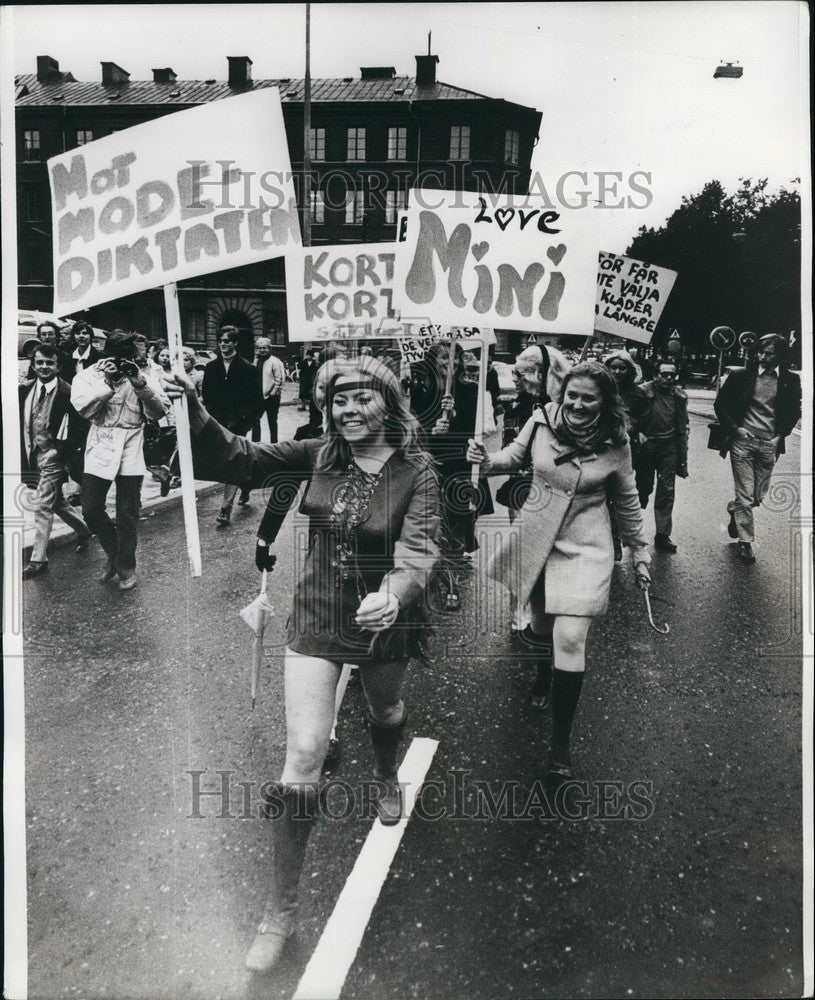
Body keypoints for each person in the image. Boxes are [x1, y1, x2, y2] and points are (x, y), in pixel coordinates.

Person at [163, 355, 441, 972]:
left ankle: (386, 773)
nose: (347, 410)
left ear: (389, 403)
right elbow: (236, 459)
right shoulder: (318, 455)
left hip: (384, 618)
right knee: (303, 754)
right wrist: (192, 406)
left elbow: (421, 549)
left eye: (361, 397)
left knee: (385, 707)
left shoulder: (417, 469)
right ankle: (280, 910)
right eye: (338, 399)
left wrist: (394, 595)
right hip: (316, 615)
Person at [467, 362, 652, 777]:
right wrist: (482, 458)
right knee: (541, 628)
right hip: (537, 538)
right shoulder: (540, 421)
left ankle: (560, 745)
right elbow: (508, 460)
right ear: (561, 393)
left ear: (605, 402)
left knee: (571, 637)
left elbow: (627, 499)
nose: (579, 405)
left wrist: (640, 551)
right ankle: (540, 675)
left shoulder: (616, 442)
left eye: (590, 398)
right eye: (573, 395)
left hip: (587, 546)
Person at [70, 332, 168, 589]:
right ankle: (114, 555)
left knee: (127, 512)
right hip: (100, 445)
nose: (121, 364)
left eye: (126, 358)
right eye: (115, 357)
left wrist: (139, 383)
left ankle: (126, 565)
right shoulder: (89, 375)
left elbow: (159, 411)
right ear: (105, 354)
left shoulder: (142, 375)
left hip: (132, 446)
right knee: (90, 508)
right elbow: (85, 410)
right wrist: (107, 382)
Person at [714, 333, 802, 564]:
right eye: (761, 352)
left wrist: (779, 436)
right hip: (743, 442)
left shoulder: (790, 380)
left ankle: (734, 510)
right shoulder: (741, 375)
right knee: (745, 494)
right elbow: (721, 405)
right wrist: (736, 430)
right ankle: (746, 542)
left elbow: (794, 412)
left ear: (780, 356)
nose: (763, 356)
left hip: (769, 444)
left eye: (769, 353)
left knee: (757, 496)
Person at [497, 346, 554, 646]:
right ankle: (520, 612)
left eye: (520, 373)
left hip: (548, 488)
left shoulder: (558, 405)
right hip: (519, 484)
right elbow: (512, 445)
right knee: (519, 548)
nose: (515, 378)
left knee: (542, 554)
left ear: (539, 373)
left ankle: (542, 614)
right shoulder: (520, 402)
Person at [19, 344, 91, 577]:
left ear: (58, 366)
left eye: (49, 363)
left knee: (42, 503)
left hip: (55, 456)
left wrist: (60, 452)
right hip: (32, 455)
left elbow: (80, 430)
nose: (44, 367)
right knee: (56, 501)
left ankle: (38, 559)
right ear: (33, 364)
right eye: (39, 362)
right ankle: (84, 530)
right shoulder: (24, 389)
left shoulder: (68, 393)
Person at [201, 326, 264, 524]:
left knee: (232, 461)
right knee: (229, 461)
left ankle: (225, 508)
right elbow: (207, 395)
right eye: (220, 340)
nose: (222, 344)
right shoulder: (211, 368)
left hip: (238, 423)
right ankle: (245, 485)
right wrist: (211, 415)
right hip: (218, 422)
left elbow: (257, 400)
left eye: (227, 341)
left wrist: (246, 419)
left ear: (235, 343)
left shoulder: (248, 369)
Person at [634, 360, 689, 553]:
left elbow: (683, 424)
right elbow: (629, 415)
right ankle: (631, 529)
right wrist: (637, 431)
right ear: (655, 375)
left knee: (667, 490)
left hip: (669, 448)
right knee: (643, 487)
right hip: (646, 447)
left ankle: (662, 534)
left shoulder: (679, 396)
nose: (667, 378)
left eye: (671, 375)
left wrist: (682, 451)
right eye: (663, 374)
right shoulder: (642, 392)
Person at [260, 339, 286, 444]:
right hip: (259, 396)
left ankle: (274, 443)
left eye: (265, 348)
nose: (262, 350)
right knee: (255, 420)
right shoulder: (257, 360)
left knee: (272, 421)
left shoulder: (274, 361)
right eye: (260, 348)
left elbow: (279, 379)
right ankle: (255, 442)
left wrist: (273, 393)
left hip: (272, 397)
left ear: (269, 349)